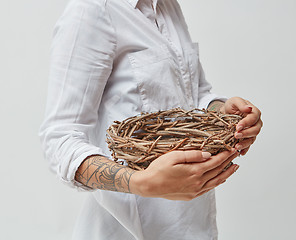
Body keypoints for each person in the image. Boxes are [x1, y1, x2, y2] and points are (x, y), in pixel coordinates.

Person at [39, 0, 263, 239]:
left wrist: (224, 113)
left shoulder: (167, 6)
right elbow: (60, 139)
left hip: (194, 226)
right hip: (128, 230)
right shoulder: (92, 10)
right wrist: (141, 182)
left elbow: (194, 95)